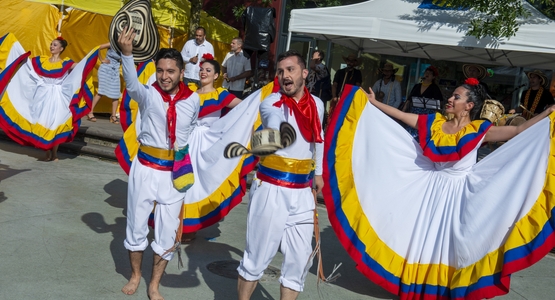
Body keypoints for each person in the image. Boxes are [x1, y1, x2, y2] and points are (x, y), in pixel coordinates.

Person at [322, 78, 555, 299]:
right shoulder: (434, 123)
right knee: (422, 239)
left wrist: (547, 114)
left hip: (458, 196)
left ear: (469, 106)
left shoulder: (478, 130)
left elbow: (517, 131)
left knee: (449, 245)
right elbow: (402, 115)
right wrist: (373, 103)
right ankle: (418, 283)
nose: (450, 99)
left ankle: (443, 287)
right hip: (430, 191)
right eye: (452, 95)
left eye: (457, 97)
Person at [117, 27, 200, 300]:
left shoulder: (193, 100)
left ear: (181, 72)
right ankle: (136, 275)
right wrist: (127, 55)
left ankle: (154, 285)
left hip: (175, 173)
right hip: (145, 169)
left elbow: (189, 132)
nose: (165, 76)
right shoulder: (148, 95)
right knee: (137, 226)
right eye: (161, 70)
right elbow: (131, 84)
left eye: (171, 71)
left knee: (166, 234)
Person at [237, 49, 324, 300]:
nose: (285, 75)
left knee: (299, 261)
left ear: (304, 73)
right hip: (271, 189)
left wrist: (318, 172)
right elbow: (273, 121)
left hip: (303, 193)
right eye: (281, 71)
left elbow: (319, 140)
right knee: (256, 258)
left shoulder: (317, 104)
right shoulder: (271, 103)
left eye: (291, 70)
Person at [0, 35, 99, 162]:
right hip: (43, 96)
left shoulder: (65, 63)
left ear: (61, 48)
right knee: (44, 123)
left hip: (57, 96)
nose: (52, 46)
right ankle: (47, 152)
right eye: (52, 44)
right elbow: (27, 65)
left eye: (55, 45)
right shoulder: (42, 60)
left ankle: (55, 153)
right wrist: (14, 50)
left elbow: (82, 66)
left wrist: (98, 50)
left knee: (55, 123)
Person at [402, 65, 444, 138]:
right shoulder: (417, 86)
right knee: (410, 131)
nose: (427, 74)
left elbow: (439, 102)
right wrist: (403, 110)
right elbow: (409, 99)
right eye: (426, 72)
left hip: (427, 113)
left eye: (430, 73)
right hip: (414, 111)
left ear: (433, 77)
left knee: (422, 132)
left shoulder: (435, 87)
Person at [87, 43, 121, 124]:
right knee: (101, 91)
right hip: (105, 69)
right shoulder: (112, 43)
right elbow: (97, 47)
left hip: (115, 71)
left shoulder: (125, 47)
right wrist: (101, 59)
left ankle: (113, 116)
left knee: (116, 93)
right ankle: (90, 112)